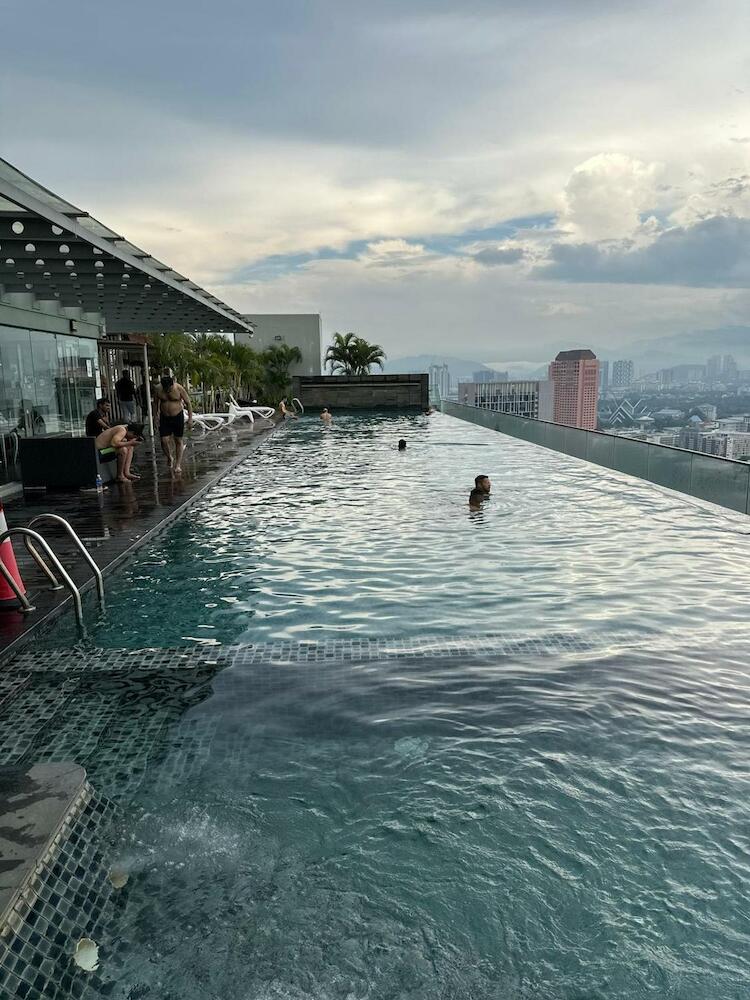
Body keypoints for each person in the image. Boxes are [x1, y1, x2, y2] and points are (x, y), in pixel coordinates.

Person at [154, 368, 193, 474]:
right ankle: (169, 457)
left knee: (178, 440)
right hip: (164, 417)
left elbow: (188, 403)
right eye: (166, 389)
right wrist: (155, 417)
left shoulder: (179, 388)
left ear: (173, 384)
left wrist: (190, 419)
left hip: (177, 416)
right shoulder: (158, 389)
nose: (168, 390)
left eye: (169, 388)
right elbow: (155, 404)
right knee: (164, 440)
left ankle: (178, 464)